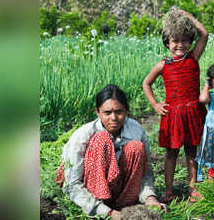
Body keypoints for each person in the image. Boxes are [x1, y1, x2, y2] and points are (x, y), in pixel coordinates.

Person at [55, 84, 167, 220]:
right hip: (93, 194)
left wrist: (150, 198)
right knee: (102, 139)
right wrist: (107, 212)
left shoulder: (136, 130)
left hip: (123, 193)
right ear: (98, 112)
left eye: (119, 112)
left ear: (126, 111)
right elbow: (71, 184)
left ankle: (124, 206)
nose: (113, 118)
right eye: (107, 113)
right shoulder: (84, 135)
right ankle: (105, 207)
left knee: (136, 147)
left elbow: (146, 171)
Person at [142, 8, 208, 203]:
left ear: (190, 41)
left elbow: (204, 33)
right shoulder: (164, 64)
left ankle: (193, 188)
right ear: (167, 42)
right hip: (173, 114)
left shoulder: (193, 57)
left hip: (193, 113)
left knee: (191, 152)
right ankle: (169, 190)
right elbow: (146, 83)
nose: (180, 44)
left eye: (185, 40)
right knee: (171, 153)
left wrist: (185, 16)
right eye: (175, 40)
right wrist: (155, 104)